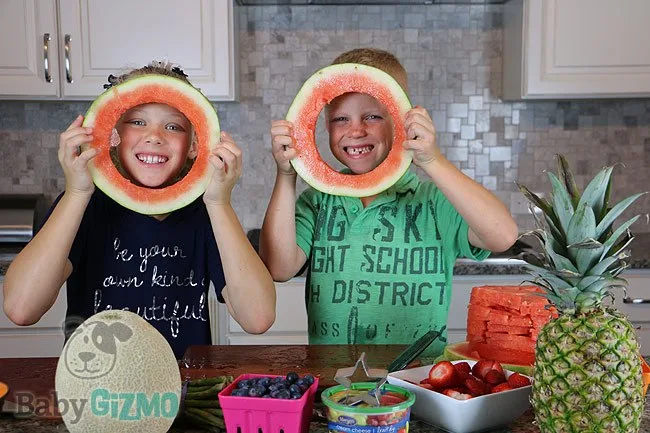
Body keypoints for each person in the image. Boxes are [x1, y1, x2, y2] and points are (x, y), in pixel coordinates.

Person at [3, 62, 276, 359]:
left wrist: (219, 203)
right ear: (112, 134)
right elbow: (21, 308)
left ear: (196, 145)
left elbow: (257, 318)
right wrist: (77, 192)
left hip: (183, 395)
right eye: (137, 121)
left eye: (173, 126)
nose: (155, 136)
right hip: (96, 394)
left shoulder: (206, 212)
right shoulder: (85, 207)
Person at [260, 48, 518, 358]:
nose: (356, 130)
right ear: (325, 126)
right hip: (332, 382)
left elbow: (503, 235)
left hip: (419, 380)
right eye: (341, 118)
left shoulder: (433, 202)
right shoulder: (318, 202)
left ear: (401, 120)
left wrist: (433, 160)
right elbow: (278, 267)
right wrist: (287, 174)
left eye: (373, 116)